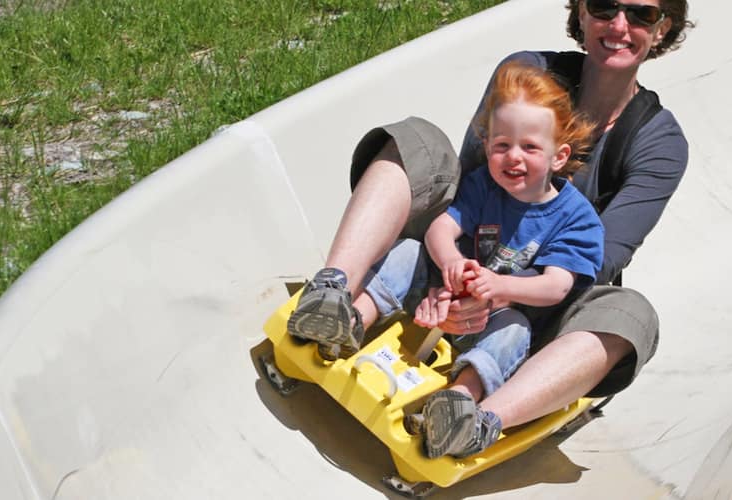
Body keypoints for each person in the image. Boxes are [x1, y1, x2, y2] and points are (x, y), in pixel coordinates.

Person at [287, 0, 691, 457]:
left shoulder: (659, 143)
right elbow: (472, 182)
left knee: (633, 315)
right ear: (580, 13)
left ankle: (476, 418)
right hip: (455, 258)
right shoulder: (525, 75)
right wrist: (455, 272)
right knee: (418, 139)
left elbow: (603, 258)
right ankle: (332, 295)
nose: (619, 25)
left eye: (641, 14)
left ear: (662, 29)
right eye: (603, 6)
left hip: (532, 305)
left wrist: (499, 291)